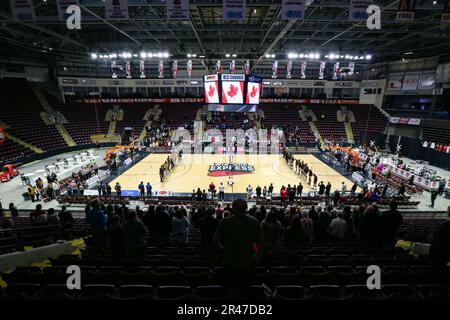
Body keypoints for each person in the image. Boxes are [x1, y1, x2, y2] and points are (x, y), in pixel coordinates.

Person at [213, 198, 261, 286]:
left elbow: (215, 241)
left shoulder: (225, 222)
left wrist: (225, 251)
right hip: (247, 262)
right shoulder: (254, 221)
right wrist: (256, 256)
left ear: (233, 209)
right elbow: (261, 243)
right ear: (246, 208)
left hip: (230, 261)